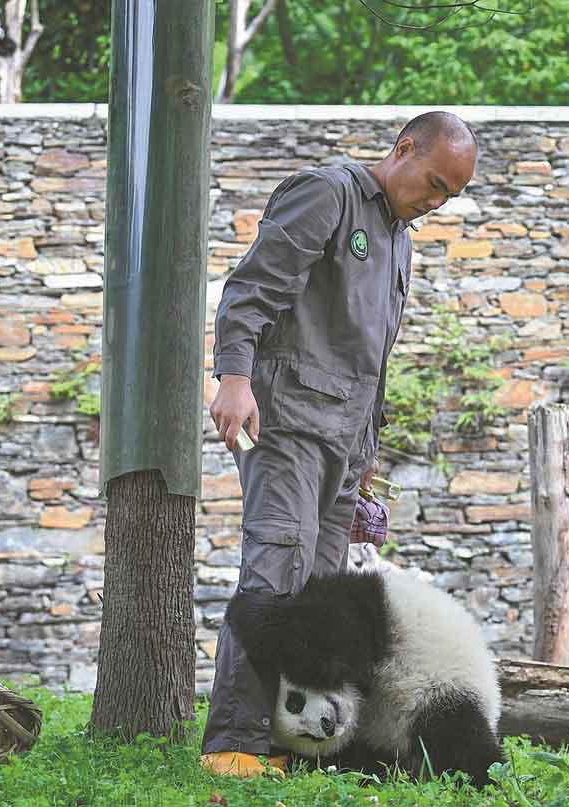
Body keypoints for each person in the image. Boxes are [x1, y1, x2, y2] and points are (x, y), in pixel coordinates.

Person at [200, 111, 478, 779]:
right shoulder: (329, 192)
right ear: (403, 148)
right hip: (288, 422)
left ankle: (291, 745)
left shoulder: (399, 238)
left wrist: (365, 455)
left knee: (319, 601)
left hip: (344, 445)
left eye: (450, 197)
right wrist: (234, 378)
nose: (436, 203)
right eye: (435, 184)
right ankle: (233, 743)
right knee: (275, 572)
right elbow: (250, 289)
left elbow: (371, 363)